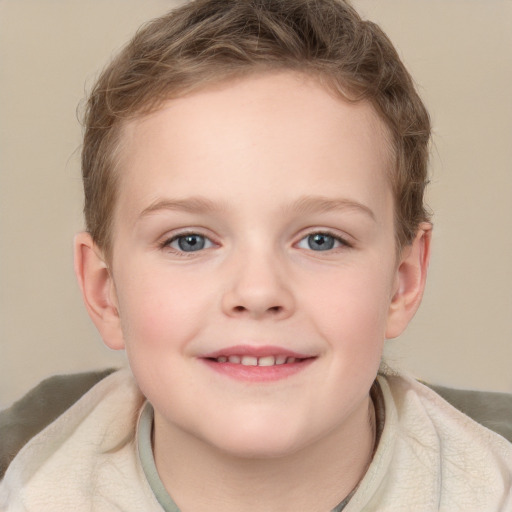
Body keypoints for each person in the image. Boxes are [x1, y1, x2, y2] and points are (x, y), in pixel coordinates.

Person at [1, 0, 511, 510]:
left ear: (403, 281)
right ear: (105, 292)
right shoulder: (27, 477)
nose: (259, 291)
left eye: (321, 240)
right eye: (189, 240)